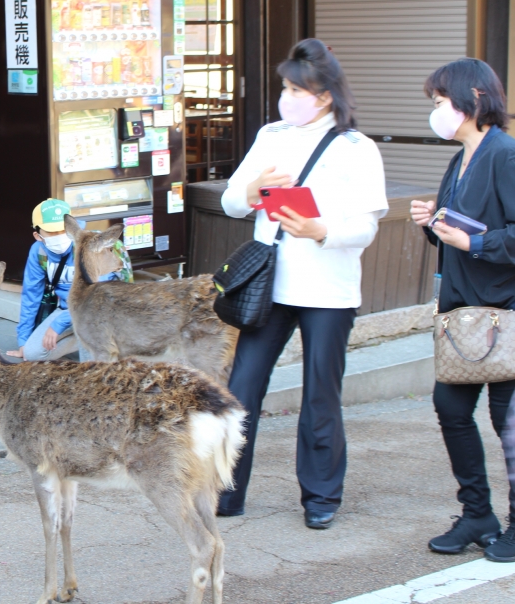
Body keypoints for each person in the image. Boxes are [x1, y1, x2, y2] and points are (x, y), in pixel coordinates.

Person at [217, 38, 388, 529]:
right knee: (241, 388)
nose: (286, 97)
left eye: (297, 89)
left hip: (329, 290)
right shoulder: (271, 136)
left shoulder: (356, 148)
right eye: (285, 88)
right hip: (269, 286)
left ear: (325, 95)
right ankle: (226, 490)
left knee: (320, 394)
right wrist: (251, 190)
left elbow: (366, 226)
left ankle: (320, 497)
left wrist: (321, 230)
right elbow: (232, 201)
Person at [409, 58, 515, 561]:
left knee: (506, 422)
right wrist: (433, 223)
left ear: (473, 97)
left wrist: (473, 243)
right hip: (462, 314)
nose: (436, 112)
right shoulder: (461, 159)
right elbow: (459, 233)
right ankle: (477, 514)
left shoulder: (505, 154)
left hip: (505, 312)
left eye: (439, 101)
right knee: (451, 409)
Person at [6, 199, 133, 362]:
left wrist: (57, 325)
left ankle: (99, 352)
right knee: (32, 354)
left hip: (98, 311)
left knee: (88, 330)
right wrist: (23, 341)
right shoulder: (39, 252)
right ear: (38, 235)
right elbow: (31, 296)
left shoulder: (91, 246)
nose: (59, 236)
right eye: (51, 232)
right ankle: (87, 343)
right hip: (68, 309)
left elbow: (94, 300)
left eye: (63, 230)